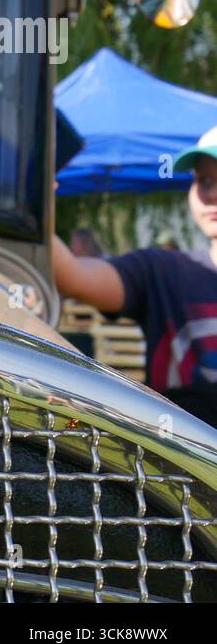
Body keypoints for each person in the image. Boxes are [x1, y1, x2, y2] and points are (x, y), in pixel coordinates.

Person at [54, 124, 217, 424]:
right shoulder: (164, 271)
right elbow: (72, 275)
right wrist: (36, 192)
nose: (211, 194)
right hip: (179, 464)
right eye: (204, 180)